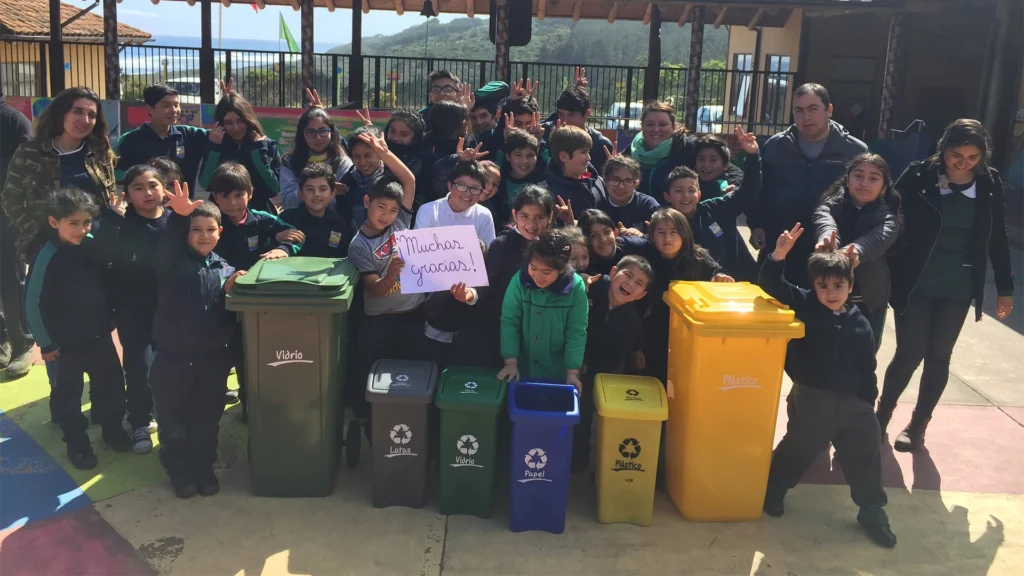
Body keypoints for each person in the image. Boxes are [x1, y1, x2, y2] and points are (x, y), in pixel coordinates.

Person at [878, 119, 1015, 452]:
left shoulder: (990, 183)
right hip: (916, 279)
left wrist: (1005, 288)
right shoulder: (919, 175)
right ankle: (880, 417)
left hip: (958, 284)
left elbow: (996, 237)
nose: (963, 163)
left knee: (939, 356)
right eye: (956, 155)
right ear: (944, 149)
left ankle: (918, 424)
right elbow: (889, 217)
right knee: (909, 354)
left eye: (972, 158)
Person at [758, 223, 896, 549]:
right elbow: (772, 285)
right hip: (812, 396)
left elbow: (867, 365)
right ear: (813, 287)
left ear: (851, 286)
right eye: (822, 286)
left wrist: (869, 400)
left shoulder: (860, 321)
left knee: (865, 450)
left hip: (854, 402)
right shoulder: (806, 305)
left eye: (838, 285)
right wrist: (778, 254)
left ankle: (872, 509)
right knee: (799, 447)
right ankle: (774, 489)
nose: (830, 292)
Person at [24, 188, 129, 470]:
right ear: (53, 222)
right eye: (73, 223)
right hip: (65, 345)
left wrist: (115, 217)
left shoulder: (90, 243)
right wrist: (46, 344)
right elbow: (32, 303)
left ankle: (112, 429)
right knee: (67, 398)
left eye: (86, 222)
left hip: (98, 336)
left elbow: (110, 250)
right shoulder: (46, 256)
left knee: (112, 388)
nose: (82, 229)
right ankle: (77, 444)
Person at [151, 181, 244, 498]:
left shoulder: (223, 268)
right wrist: (178, 218)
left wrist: (237, 284)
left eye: (210, 229)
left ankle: (203, 466)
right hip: (173, 361)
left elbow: (230, 299)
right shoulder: (173, 263)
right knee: (173, 421)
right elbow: (167, 245)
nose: (204, 235)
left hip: (212, 362)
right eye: (196, 229)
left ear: (220, 232)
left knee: (206, 420)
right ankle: (179, 468)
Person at [747, 83, 868, 288]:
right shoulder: (776, 147)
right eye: (799, 110)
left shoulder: (853, 150)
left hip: (829, 249)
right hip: (782, 244)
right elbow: (760, 190)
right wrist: (756, 224)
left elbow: (865, 198)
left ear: (829, 110)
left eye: (813, 109)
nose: (806, 117)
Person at [208, 161, 302, 415]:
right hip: (220, 301)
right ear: (216, 197)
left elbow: (295, 235)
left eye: (239, 195)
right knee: (223, 353)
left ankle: (252, 406)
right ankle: (217, 397)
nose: (233, 202)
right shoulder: (209, 222)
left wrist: (281, 248)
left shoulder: (261, 219)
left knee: (253, 354)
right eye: (225, 196)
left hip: (257, 305)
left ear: (249, 193)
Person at [346, 130, 420, 429]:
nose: (387, 215)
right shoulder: (358, 245)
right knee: (372, 374)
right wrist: (390, 274)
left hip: (413, 314)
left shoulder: (402, 219)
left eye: (392, 209)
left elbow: (409, 181)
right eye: (380, 207)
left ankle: (408, 421)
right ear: (367, 201)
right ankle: (367, 422)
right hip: (379, 321)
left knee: (409, 377)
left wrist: (384, 151)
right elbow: (374, 290)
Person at [98, 164, 172, 454]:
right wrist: (112, 219)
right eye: (138, 188)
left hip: (170, 311)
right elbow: (101, 257)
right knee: (137, 368)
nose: (147, 193)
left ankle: (170, 417)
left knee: (170, 368)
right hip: (133, 314)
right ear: (126, 194)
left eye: (153, 185)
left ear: (163, 188)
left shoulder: (175, 222)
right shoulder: (120, 224)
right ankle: (140, 420)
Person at [3, 87, 117, 257]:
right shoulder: (31, 151)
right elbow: (10, 199)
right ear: (61, 113)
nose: (85, 120)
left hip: (95, 246)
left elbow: (110, 197)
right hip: (47, 248)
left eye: (91, 115)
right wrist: (38, 232)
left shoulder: (100, 153)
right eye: (77, 112)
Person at [455, 185, 554, 367]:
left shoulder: (553, 246)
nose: (532, 225)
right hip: (501, 328)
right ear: (515, 215)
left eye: (539, 218)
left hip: (540, 329)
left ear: (550, 217)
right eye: (525, 217)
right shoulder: (502, 244)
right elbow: (486, 285)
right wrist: (469, 295)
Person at [813, 154, 900, 348]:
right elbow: (825, 223)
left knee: (862, 362)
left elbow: (875, 240)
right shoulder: (828, 206)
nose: (864, 183)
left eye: (874, 178)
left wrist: (854, 253)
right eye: (858, 176)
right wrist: (827, 242)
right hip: (825, 299)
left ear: (884, 187)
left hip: (867, 302)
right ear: (847, 179)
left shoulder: (888, 218)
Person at [577, 255, 653, 472]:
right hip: (565, 361)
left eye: (638, 283)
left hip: (597, 373)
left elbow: (614, 356)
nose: (630, 284)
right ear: (612, 272)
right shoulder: (590, 287)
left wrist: (589, 367)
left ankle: (583, 466)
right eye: (627, 275)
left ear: (642, 295)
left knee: (588, 418)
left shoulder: (632, 321)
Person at [638, 208, 732, 382]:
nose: (667, 238)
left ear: (684, 233)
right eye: (661, 232)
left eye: (674, 232)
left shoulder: (698, 257)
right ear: (651, 236)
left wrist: (719, 276)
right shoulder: (646, 257)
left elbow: (716, 270)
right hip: (654, 329)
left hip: (688, 330)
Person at [662, 127, 762, 282]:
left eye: (691, 190)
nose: (686, 196)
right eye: (679, 190)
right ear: (667, 196)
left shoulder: (716, 208)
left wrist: (753, 156)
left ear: (699, 194)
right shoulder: (665, 222)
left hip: (738, 282)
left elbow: (748, 192)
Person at [496, 228, 588, 392]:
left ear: (561, 270)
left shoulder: (576, 286)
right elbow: (509, 321)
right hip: (523, 366)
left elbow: (577, 330)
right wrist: (510, 362)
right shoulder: (519, 281)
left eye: (547, 272)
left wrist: (572, 372)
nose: (538, 276)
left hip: (558, 370)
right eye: (533, 268)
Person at [114, 83, 210, 195]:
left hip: (183, 209)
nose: (174, 110)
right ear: (149, 109)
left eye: (176, 104)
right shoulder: (130, 140)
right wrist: (144, 171)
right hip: (147, 209)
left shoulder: (190, 135)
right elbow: (114, 174)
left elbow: (224, 132)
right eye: (166, 106)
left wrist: (228, 102)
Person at [201, 93, 282, 214]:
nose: (236, 128)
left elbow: (273, 189)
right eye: (229, 123)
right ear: (220, 124)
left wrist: (258, 152)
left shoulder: (265, 145)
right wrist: (214, 148)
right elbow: (206, 184)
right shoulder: (216, 143)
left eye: (240, 121)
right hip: (222, 217)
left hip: (257, 216)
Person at [0, 89, 34, 379]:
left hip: (6, 217)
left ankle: (22, 342)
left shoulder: (14, 121)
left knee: (10, 281)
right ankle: (3, 341)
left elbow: (28, 174)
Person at [279, 106, 353, 210]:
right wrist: (321, 190)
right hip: (297, 222)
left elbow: (347, 200)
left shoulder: (342, 162)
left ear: (331, 132)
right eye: (310, 132)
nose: (317, 138)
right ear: (302, 134)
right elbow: (288, 201)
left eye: (323, 131)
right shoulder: (289, 162)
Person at [415, 159, 495, 245]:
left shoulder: (484, 215)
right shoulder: (428, 211)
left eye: (475, 188)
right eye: (461, 185)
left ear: (482, 192)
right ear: (450, 185)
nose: (467, 193)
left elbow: (489, 254)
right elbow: (419, 249)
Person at [280, 162, 351, 258]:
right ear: (301, 193)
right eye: (310, 189)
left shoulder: (338, 223)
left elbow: (343, 257)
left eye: (322, 189)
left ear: (332, 194)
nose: (316, 194)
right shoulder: (286, 219)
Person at [543, 85, 614, 174]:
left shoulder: (601, 145)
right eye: (561, 114)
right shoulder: (547, 134)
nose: (565, 120)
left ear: (586, 114)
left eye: (571, 115)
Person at [486, 128, 546, 230]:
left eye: (530, 155)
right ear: (508, 157)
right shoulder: (499, 183)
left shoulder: (542, 179)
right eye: (518, 155)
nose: (525, 161)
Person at [545, 125, 605, 224]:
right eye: (583, 152)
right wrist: (570, 224)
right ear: (564, 157)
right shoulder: (549, 195)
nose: (589, 158)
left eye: (589, 152)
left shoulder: (598, 182)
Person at [597, 155, 660, 230]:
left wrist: (640, 236)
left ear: (636, 183)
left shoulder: (649, 206)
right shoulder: (599, 208)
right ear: (605, 180)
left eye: (628, 181)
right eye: (615, 180)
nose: (621, 186)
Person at [577, 208, 646, 277]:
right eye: (594, 236)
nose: (603, 239)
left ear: (615, 233)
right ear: (585, 241)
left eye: (607, 232)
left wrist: (643, 235)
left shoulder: (633, 245)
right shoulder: (584, 261)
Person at [693, 134, 746, 201]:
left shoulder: (728, 191)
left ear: (725, 165)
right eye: (701, 159)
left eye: (713, 160)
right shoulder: (689, 187)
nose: (706, 164)